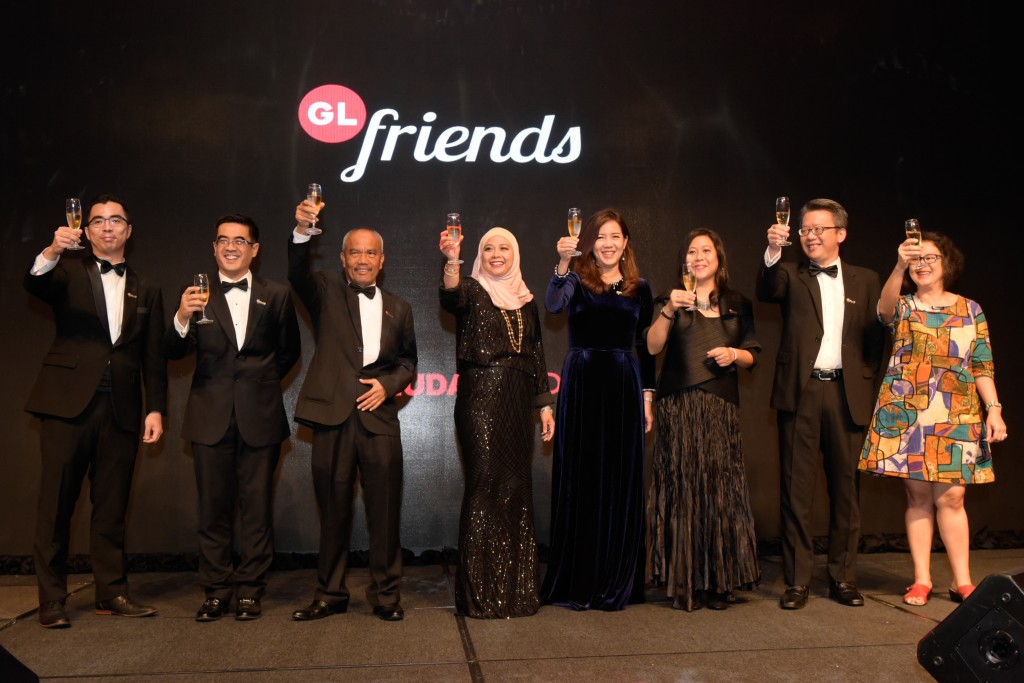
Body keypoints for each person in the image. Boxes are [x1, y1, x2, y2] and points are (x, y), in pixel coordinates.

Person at [24, 193, 167, 628]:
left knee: (111, 506)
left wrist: (155, 409)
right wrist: (51, 249)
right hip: (67, 404)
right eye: (99, 221)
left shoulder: (149, 287)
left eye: (116, 220)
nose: (108, 227)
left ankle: (112, 592)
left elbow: (154, 357)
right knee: (57, 504)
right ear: (86, 231)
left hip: (122, 408)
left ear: (129, 230)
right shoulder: (65, 270)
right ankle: (51, 600)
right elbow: (34, 282)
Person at [164, 213, 300, 622]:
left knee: (257, 508)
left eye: (240, 241)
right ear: (214, 247)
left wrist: (257, 386)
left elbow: (289, 352)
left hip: (260, 416)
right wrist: (182, 318)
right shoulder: (195, 295)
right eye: (223, 240)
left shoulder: (276, 294)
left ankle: (249, 590)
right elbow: (171, 352)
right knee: (213, 509)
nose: (230, 247)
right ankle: (216, 589)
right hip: (209, 416)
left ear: (254, 250)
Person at [858, 231, 1005, 606]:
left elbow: (982, 364)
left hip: (957, 410)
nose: (922, 265)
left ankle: (962, 581)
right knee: (917, 493)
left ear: (947, 263)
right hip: (910, 411)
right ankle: (921, 579)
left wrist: (994, 409)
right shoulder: (904, 305)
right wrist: (897, 264)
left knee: (953, 497)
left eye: (930, 258)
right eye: (916, 259)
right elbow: (883, 311)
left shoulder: (971, 309)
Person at [288, 199, 417, 622]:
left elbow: (408, 362)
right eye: (355, 252)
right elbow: (297, 272)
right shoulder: (324, 289)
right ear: (342, 259)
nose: (363, 260)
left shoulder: (400, 307)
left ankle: (386, 596)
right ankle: (329, 594)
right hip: (332, 419)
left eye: (371, 253)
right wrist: (303, 231)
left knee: (384, 515)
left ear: (382, 260)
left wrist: (388, 385)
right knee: (333, 512)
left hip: (379, 420)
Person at [757, 198, 883, 610]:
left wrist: (865, 379)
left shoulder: (867, 280)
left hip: (848, 394)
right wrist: (774, 253)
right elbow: (767, 289)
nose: (810, 236)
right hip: (802, 391)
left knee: (847, 490)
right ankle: (797, 581)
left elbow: (876, 339)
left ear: (840, 234)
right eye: (805, 230)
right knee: (796, 491)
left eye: (819, 229)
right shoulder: (791, 275)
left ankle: (843, 578)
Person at [541, 207, 656, 611]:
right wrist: (562, 261)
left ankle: (617, 577)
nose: (608, 244)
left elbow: (645, 344)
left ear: (625, 243)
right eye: (601, 237)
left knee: (621, 479)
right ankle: (580, 578)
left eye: (615, 236)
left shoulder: (639, 287)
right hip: (584, 381)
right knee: (584, 476)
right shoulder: (575, 279)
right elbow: (553, 306)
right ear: (589, 242)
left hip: (624, 382)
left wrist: (647, 395)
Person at [438, 227, 555, 618]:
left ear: (515, 253)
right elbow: (450, 295)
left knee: (515, 487)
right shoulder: (472, 289)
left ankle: (516, 593)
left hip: (518, 401)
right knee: (485, 485)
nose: (496, 253)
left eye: (504, 247)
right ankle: (478, 594)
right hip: (481, 399)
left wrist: (544, 406)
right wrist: (452, 259)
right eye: (488, 247)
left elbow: (536, 355)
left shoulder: (527, 300)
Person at [645, 229, 761, 611]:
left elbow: (752, 354)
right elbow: (652, 346)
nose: (698, 257)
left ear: (719, 258)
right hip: (679, 407)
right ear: (684, 262)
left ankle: (721, 579)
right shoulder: (670, 299)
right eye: (691, 251)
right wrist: (668, 310)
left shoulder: (737, 303)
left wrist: (733, 353)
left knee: (720, 491)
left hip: (720, 408)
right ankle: (684, 580)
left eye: (705, 250)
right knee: (682, 490)